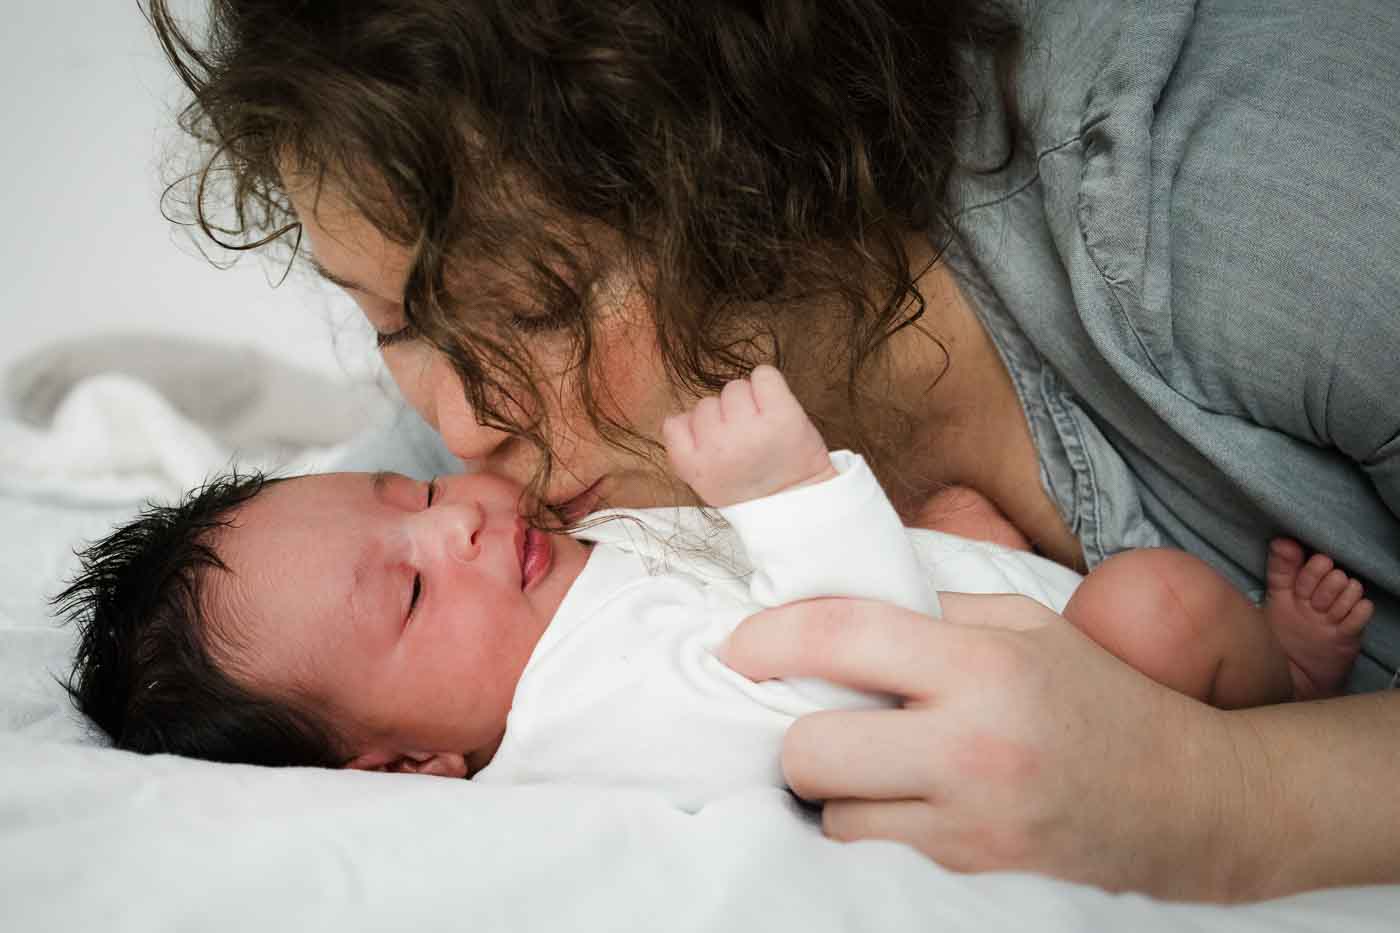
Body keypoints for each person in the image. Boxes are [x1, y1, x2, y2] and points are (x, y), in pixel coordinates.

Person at [141, 0, 1400, 901]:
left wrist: (1226, 800)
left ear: (751, 175)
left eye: (539, 305)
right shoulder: (475, 492)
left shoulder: (1252, 208)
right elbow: (291, 609)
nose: (464, 433)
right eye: (395, 324)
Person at [61, 367, 1368, 807]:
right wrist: (787, 491)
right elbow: (858, 692)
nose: (460, 518)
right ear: (406, 766)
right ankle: (1283, 691)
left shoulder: (547, 608)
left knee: (956, 522)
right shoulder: (602, 713)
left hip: (958, 599)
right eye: (407, 594)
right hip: (1039, 696)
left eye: (410, 497)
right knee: (1155, 602)